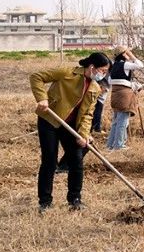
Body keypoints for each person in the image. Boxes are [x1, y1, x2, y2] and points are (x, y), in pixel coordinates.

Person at [29, 52, 110, 213]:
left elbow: (87, 114)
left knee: (77, 161)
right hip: (50, 121)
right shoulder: (67, 73)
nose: (104, 74)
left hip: (71, 126)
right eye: (102, 70)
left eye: (106, 71)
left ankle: (75, 199)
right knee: (49, 161)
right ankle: (45, 202)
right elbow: (36, 77)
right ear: (92, 67)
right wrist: (42, 98)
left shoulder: (94, 88)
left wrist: (84, 134)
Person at [106, 46, 144, 151]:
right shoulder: (125, 64)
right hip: (124, 95)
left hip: (114, 94)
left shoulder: (113, 66)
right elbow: (140, 65)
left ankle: (110, 145)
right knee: (123, 121)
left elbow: (110, 81)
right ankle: (119, 145)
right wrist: (131, 55)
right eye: (126, 53)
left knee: (115, 121)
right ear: (123, 54)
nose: (128, 55)